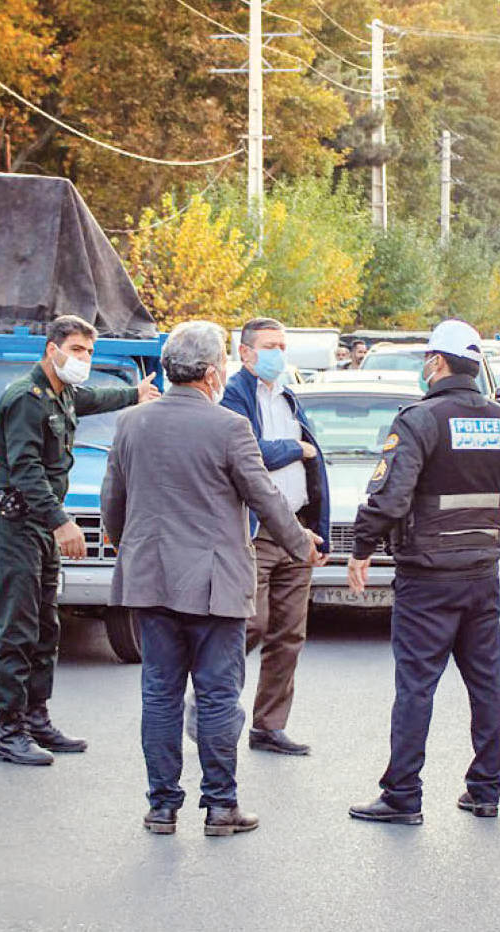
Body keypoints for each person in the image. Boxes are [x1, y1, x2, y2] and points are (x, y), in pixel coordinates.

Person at [346, 319, 500, 824]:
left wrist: (360, 548)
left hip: (427, 578)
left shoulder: (418, 420)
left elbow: (389, 497)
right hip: (480, 574)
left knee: (416, 688)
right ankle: (485, 791)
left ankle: (402, 795)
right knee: (487, 682)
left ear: (438, 363)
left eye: (428, 358)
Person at [101, 321, 320, 837]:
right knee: (219, 695)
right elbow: (264, 495)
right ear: (212, 373)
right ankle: (221, 807)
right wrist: (300, 544)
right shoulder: (228, 427)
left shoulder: (131, 423)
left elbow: (113, 501)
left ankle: (161, 807)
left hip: (151, 581)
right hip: (216, 585)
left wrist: (124, 544)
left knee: (159, 693)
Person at [0, 315, 159, 766]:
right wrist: (62, 521)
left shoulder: (63, 395)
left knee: (45, 627)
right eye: (76, 350)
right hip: (15, 525)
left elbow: (95, 397)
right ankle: (9, 732)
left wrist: (134, 395)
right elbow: (25, 470)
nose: (83, 359)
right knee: (16, 631)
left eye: (89, 352)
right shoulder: (26, 398)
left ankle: (37, 718)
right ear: (51, 348)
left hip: (37, 527)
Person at [220, 317, 330, 756]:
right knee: (250, 623)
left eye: (283, 345)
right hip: (257, 530)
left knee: (289, 633)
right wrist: (295, 449)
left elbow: (314, 462)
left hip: (297, 528)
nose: (278, 355)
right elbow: (247, 453)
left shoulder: (287, 397)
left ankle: (269, 726)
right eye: (269, 346)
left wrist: (317, 533)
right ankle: (214, 702)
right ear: (245, 353)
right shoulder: (233, 397)